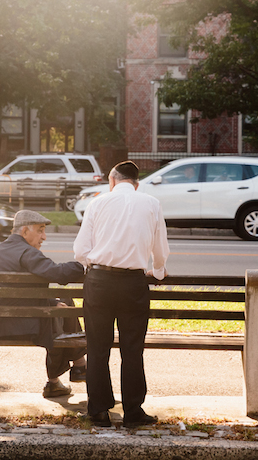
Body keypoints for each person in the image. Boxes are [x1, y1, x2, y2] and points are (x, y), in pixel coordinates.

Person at [73, 160, 170, 428]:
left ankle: (99, 411)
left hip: (100, 282)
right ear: (136, 184)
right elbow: (160, 249)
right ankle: (133, 411)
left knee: (97, 348)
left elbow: (81, 251)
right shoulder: (151, 203)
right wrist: (158, 272)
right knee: (132, 349)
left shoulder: (97, 202)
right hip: (133, 284)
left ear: (112, 180)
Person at [0, 209, 87, 398]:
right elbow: (59, 274)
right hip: (20, 325)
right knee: (60, 312)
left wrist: (51, 302)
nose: (44, 237)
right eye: (40, 230)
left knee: (61, 305)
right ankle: (77, 367)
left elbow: (15, 293)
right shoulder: (27, 252)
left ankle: (70, 372)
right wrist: (83, 265)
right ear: (24, 231)